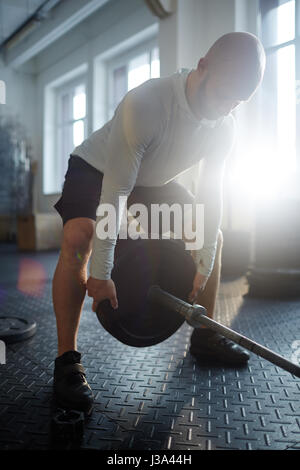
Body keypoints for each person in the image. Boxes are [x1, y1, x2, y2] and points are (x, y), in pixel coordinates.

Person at [52, 32, 266, 415]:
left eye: (237, 101)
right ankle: (67, 359)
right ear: (202, 67)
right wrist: (100, 273)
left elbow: (211, 193)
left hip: (153, 181)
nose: (226, 108)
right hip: (99, 170)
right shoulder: (147, 102)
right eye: (223, 94)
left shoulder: (225, 125)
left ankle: (204, 335)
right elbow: (115, 191)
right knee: (79, 237)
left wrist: (203, 257)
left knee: (208, 236)